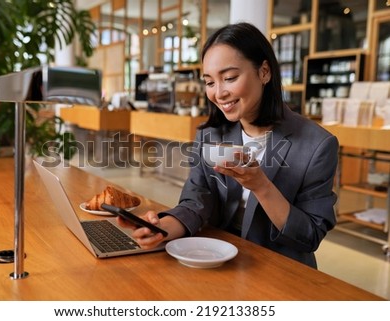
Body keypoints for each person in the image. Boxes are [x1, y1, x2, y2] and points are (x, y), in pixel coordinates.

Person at [118, 22, 339, 268]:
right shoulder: (210, 134)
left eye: (230, 78)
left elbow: (310, 235)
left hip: (279, 269)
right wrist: (163, 229)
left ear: (264, 72)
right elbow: (197, 200)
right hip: (216, 259)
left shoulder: (317, 145)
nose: (219, 93)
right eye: (210, 82)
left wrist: (262, 187)